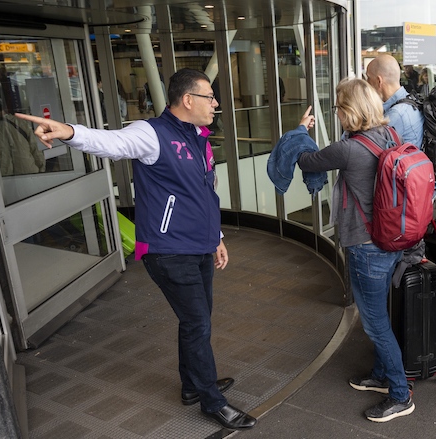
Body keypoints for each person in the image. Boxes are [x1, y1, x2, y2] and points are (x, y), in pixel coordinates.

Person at [14, 69, 256, 430]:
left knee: (196, 321)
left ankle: (193, 386)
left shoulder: (199, 139)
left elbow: (204, 194)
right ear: (188, 100)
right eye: (210, 97)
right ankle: (211, 401)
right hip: (168, 250)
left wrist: (217, 237)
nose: (216, 103)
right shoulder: (151, 134)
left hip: (198, 246)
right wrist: (69, 132)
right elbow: (112, 143)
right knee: (197, 323)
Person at [295, 78, 414, 423]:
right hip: (390, 240)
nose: (336, 114)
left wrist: (300, 130)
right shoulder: (389, 135)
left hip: (366, 247)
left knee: (375, 324)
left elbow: (306, 160)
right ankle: (381, 375)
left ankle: (400, 395)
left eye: (338, 108)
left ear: (348, 111)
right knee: (380, 315)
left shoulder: (348, 149)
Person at [365, 54, 424, 147]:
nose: (367, 83)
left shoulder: (396, 114)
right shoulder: (409, 101)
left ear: (379, 81)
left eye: (368, 78)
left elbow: (368, 148)